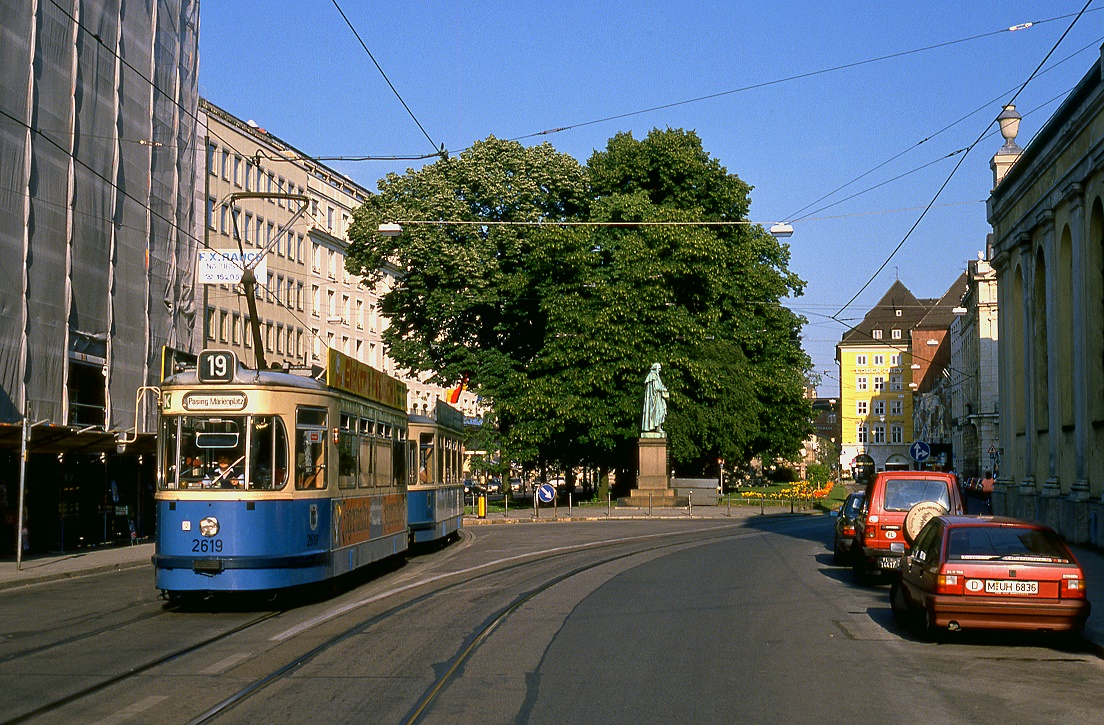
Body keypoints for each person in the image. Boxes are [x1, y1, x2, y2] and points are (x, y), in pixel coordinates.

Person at [641, 362, 669, 434]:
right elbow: (656, 387)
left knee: (661, 412)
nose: (659, 370)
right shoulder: (653, 376)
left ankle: (658, 427)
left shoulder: (656, 376)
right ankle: (658, 427)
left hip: (658, 398)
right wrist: (663, 389)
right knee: (659, 412)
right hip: (654, 399)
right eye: (659, 368)